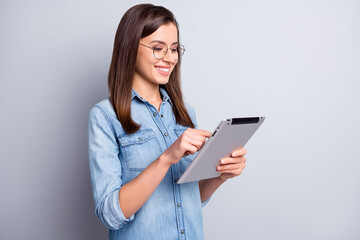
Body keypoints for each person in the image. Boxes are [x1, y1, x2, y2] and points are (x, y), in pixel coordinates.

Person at [88, 4, 247, 240]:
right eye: (158, 48)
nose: (170, 58)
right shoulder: (105, 116)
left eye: (174, 49)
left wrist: (220, 176)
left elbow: (190, 197)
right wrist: (166, 158)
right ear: (130, 47)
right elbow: (110, 214)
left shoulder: (185, 112)